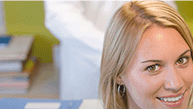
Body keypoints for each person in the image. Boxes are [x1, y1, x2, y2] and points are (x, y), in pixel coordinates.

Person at [44, 0, 177, 100]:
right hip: (91, 73)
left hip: (148, 63)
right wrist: (117, 51)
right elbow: (59, 12)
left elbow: (164, 9)